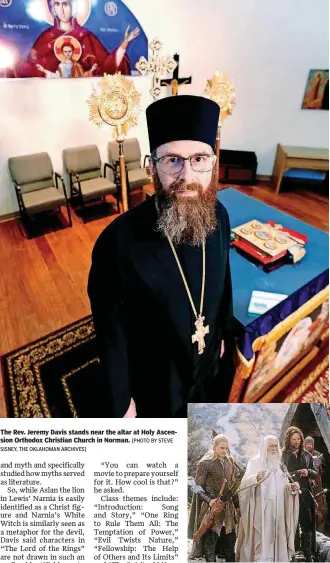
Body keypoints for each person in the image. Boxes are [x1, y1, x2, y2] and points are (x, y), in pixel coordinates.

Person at [88, 95, 234, 417]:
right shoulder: (117, 245)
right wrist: (121, 402)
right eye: (172, 161)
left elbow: (224, 283)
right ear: (152, 167)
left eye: (199, 159)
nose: (187, 176)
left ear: (213, 162)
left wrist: (221, 334)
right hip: (155, 387)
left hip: (208, 369)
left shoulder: (219, 216)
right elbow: (111, 337)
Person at [15, 0, 140, 78]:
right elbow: (33, 71)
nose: (62, 10)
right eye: (57, 4)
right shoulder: (45, 39)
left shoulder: (86, 37)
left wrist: (125, 43)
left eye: (65, 4)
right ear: (52, 9)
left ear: (73, 7)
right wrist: (15, 62)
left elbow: (107, 67)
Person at [236, 435, 300, 562]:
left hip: (279, 509)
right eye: (271, 446)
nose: (274, 448)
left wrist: (291, 487)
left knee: (278, 537)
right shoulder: (255, 462)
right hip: (261, 508)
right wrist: (256, 478)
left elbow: (284, 486)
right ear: (264, 447)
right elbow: (244, 484)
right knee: (261, 538)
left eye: (276, 446)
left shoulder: (280, 466)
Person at [188, 434, 240, 562]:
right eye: (222, 448)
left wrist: (237, 506)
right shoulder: (205, 463)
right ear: (214, 447)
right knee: (211, 540)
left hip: (227, 507)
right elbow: (197, 487)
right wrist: (210, 500)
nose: (224, 451)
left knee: (230, 538)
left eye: (226, 448)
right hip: (212, 507)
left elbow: (233, 486)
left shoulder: (230, 462)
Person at [281, 426, 317, 561]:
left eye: (298, 439)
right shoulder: (283, 455)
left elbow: (314, 472)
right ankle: (293, 552)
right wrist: (296, 473)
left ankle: (308, 553)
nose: (296, 441)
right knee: (292, 523)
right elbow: (280, 475)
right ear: (288, 439)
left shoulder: (307, 455)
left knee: (306, 522)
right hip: (290, 493)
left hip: (305, 493)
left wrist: (308, 472)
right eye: (293, 439)